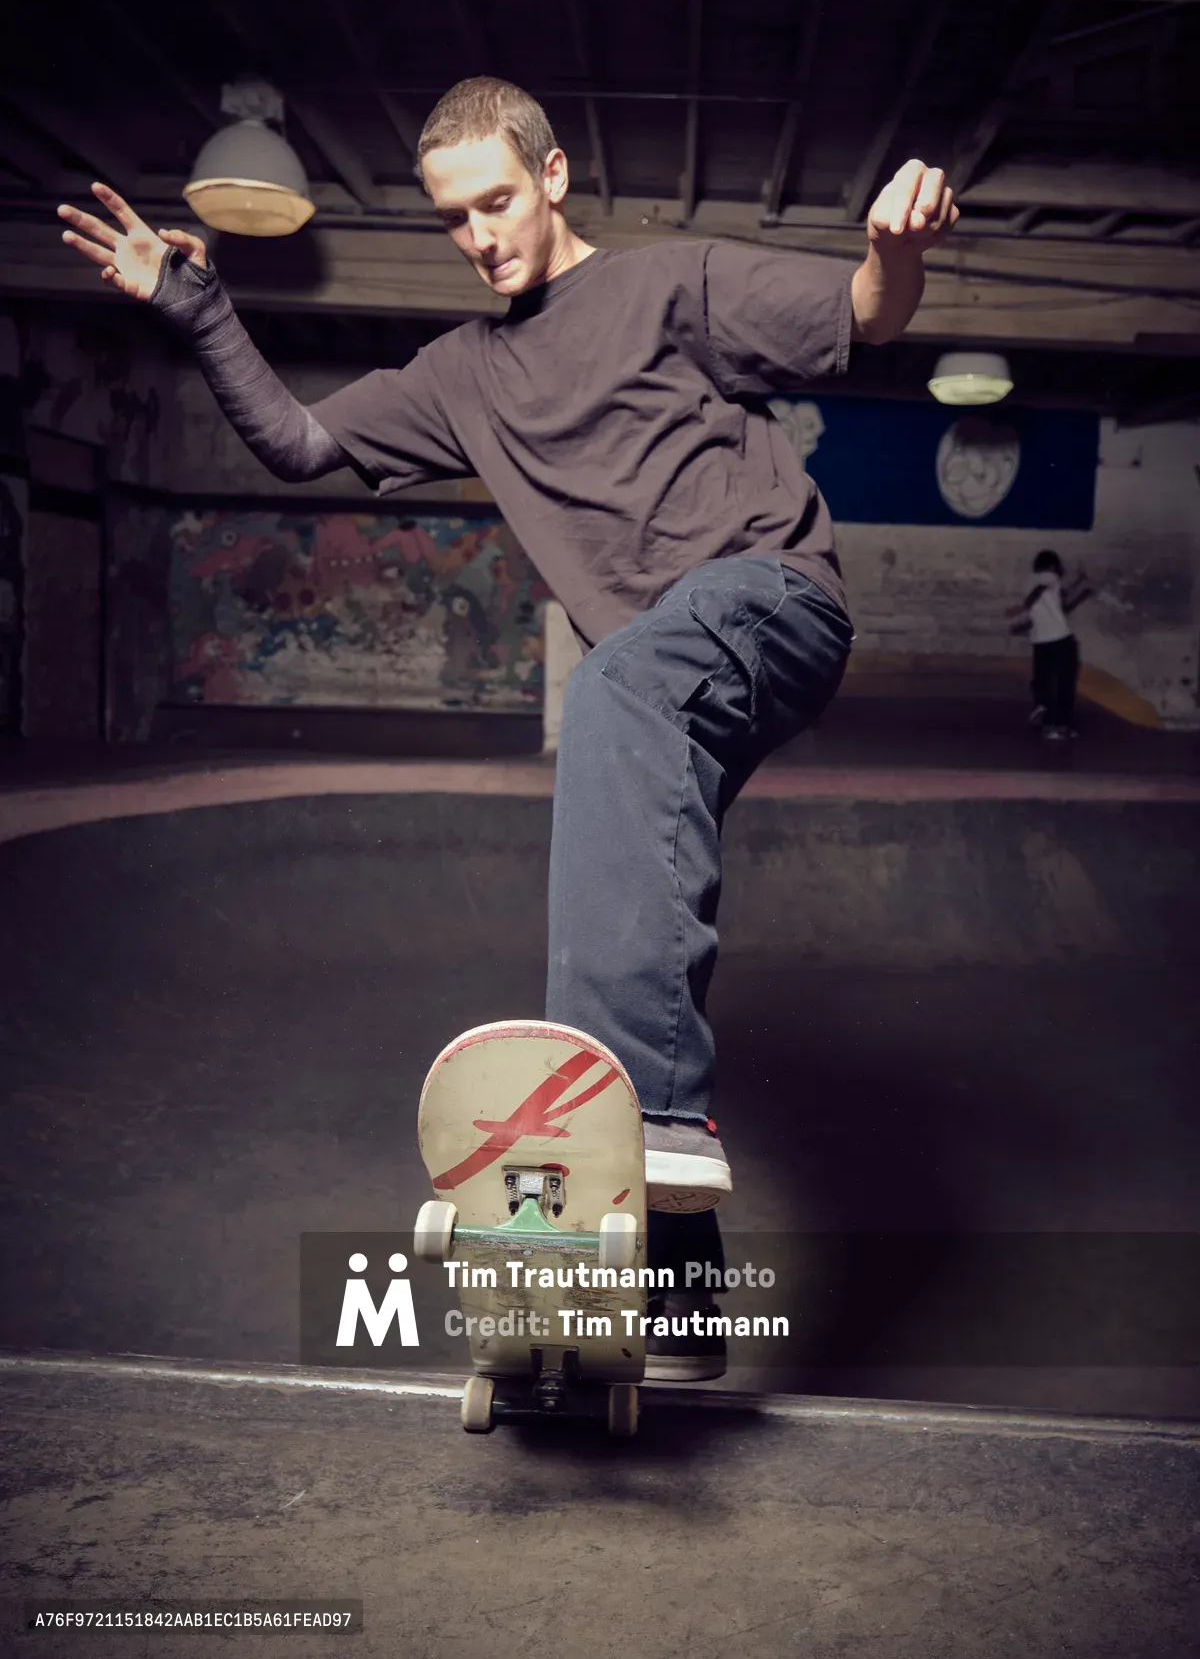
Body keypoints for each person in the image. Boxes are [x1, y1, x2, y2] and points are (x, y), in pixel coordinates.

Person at [57, 76, 959, 1378]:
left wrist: (893, 252)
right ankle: (674, 1288)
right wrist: (198, 309)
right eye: (451, 220)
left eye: (496, 201)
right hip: (667, 679)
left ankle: (638, 1117)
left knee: (610, 689)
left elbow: (863, 315)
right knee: (614, 901)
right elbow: (302, 445)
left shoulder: (664, 287)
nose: (481, 237)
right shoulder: (461, 375)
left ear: (552, 177)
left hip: (771, 604)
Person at [1006, 549, 1091, 742]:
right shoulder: (1047, 577)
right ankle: (1060, 724)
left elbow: (1060, 608)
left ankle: (1048, 717)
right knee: (1065, 686)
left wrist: (1081, 592)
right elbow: (1041, 592)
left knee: (1045, 683)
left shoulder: (1029, 581)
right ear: (1052, 566)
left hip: (1041, 643)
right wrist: (1027, 604)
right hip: (1061, 641)